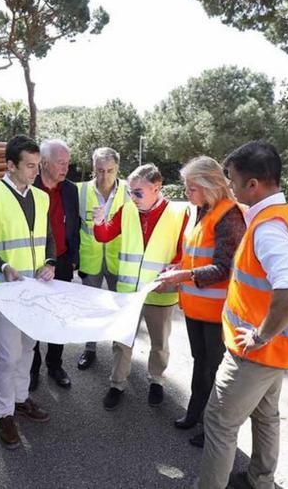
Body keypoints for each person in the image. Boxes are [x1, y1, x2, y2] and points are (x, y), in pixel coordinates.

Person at [197, 141, 288, 489]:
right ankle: (260, 479)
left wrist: (261, 334)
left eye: (232, 180)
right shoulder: (287, 217)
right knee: (266, 415)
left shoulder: (267, 227)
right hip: (275, 347)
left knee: (219, 421)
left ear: (253, 185)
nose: (230, 188)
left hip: (254, 351)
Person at [0, 135, 55, 449]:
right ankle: (4, 414)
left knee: (29, 348)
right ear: (10, 165)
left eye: (38, 165)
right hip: (7, 290)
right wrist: (4, 265)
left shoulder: (42, 197)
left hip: (35, 289)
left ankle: (21, 400)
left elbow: (48, 238)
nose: (36, 172)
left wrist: (50, 261)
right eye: (30, 166)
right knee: (8, 356)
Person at [155, 156, 245, 448]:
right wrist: (176, 267)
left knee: (215, 369)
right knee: (201, 363)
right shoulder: (201, 210)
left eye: (191, 187)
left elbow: (223, 267)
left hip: (217, 311)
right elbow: (195, 253)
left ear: (209, 185)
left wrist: (182, 276)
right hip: (196, 308)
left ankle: (213, 428)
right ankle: (195, 413)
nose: (186, 192)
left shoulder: (229, 215)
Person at [92, 163, 188, 411]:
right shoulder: (127, 210)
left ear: (157, 188)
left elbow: (184, 253)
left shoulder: (179, 214)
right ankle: (117, 384)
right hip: (129, 293)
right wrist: (99, 221)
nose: (132, 197)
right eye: (131, 191)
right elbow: (104, 235)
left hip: (160, 292)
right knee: (121, 341)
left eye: (138, 192)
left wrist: (175, 270)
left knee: (160, 343)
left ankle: (156, 380)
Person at [29, 139, 80, 390]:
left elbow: (74, 225)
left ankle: (55, 365)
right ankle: (33, 367)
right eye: (61, 163)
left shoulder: (70, 190)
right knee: (36, 315)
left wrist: (72, 260)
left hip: (61, 262)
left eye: (68, 163)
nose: (66, 168)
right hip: (36, 263)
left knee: (59, 317)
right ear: (45, 163)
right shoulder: (29, 187)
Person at [76, 147, 130, 370]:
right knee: (92, 308)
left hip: (120, 260)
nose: (104, 176)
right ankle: (90, 349)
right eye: (99, 170)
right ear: (93, 169)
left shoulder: (129, 190)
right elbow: (73, 226)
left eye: (109, 170)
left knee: (121, 308)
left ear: (117, 168)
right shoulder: (81, 191)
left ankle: (121, 354)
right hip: (91, 260)